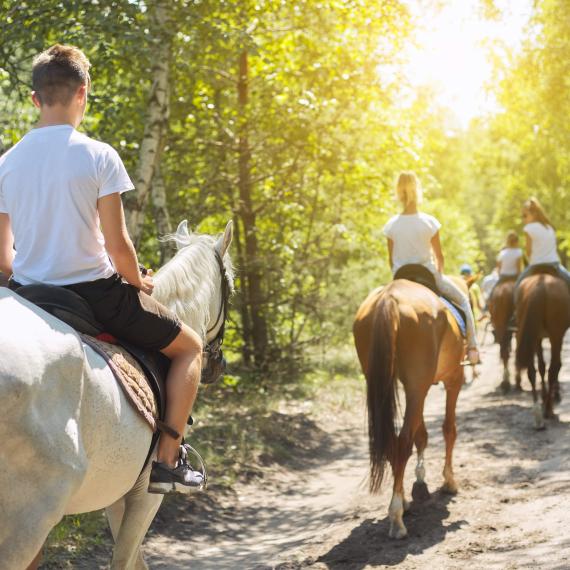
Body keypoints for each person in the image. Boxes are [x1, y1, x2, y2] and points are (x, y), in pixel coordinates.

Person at [0, 44, 203, 493]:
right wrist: (139, 281)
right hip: (96, 292)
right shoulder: (98, 155)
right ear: (83, 94)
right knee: (190, 348)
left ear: (35, 99)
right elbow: (118, 244)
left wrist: (29, 281)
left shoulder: (6, 163)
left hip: (31, 298)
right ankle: (168, 461)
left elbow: (2, 259)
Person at [383, 171, 480, 364]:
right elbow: (439, 257)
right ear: (418, 190)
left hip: (400, 278)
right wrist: (439, 273)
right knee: (463, 300)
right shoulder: (429, 222)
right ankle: (472, 348)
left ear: (398, 192)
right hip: (428, 275)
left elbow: (391, 260)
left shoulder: (391, 225)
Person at [515, 197, 570, 290]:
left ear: (534, 214)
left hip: (536, 265)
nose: (523, 219)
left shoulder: (528, 228)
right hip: (554, 264)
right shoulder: (549, 228)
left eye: (525, 215)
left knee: (517, 287)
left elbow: (528, 252)